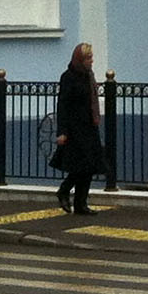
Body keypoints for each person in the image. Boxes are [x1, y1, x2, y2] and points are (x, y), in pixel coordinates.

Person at [52, 41, 104, 216]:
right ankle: (64, 190)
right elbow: (63, 105)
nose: (91, 61)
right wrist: (62, 131)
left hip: (89, 126)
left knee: (89, 166)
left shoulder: (88, 76)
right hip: (75, 129)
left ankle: (81, 203)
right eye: (88, 58)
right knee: (80, 166)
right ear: (80, 59)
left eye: (91, 57)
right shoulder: (68, 77)